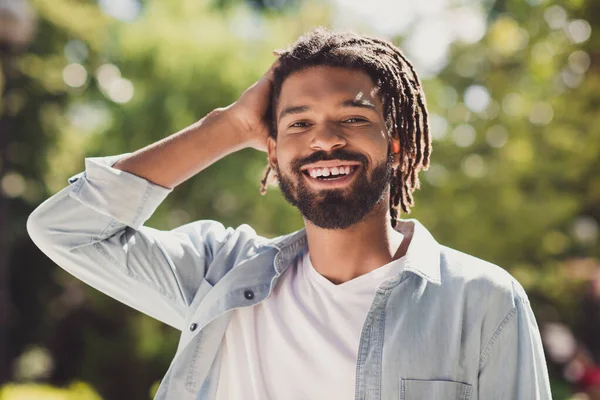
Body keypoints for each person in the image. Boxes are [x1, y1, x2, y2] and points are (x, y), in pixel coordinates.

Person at [27, 28, 553, 399]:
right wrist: (228, 126)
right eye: (298, 124)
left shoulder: (484, 301)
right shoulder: (219, 275)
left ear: (395, 144)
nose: (325, 139)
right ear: (272, 151)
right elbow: (65, 230)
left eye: (353, 116)